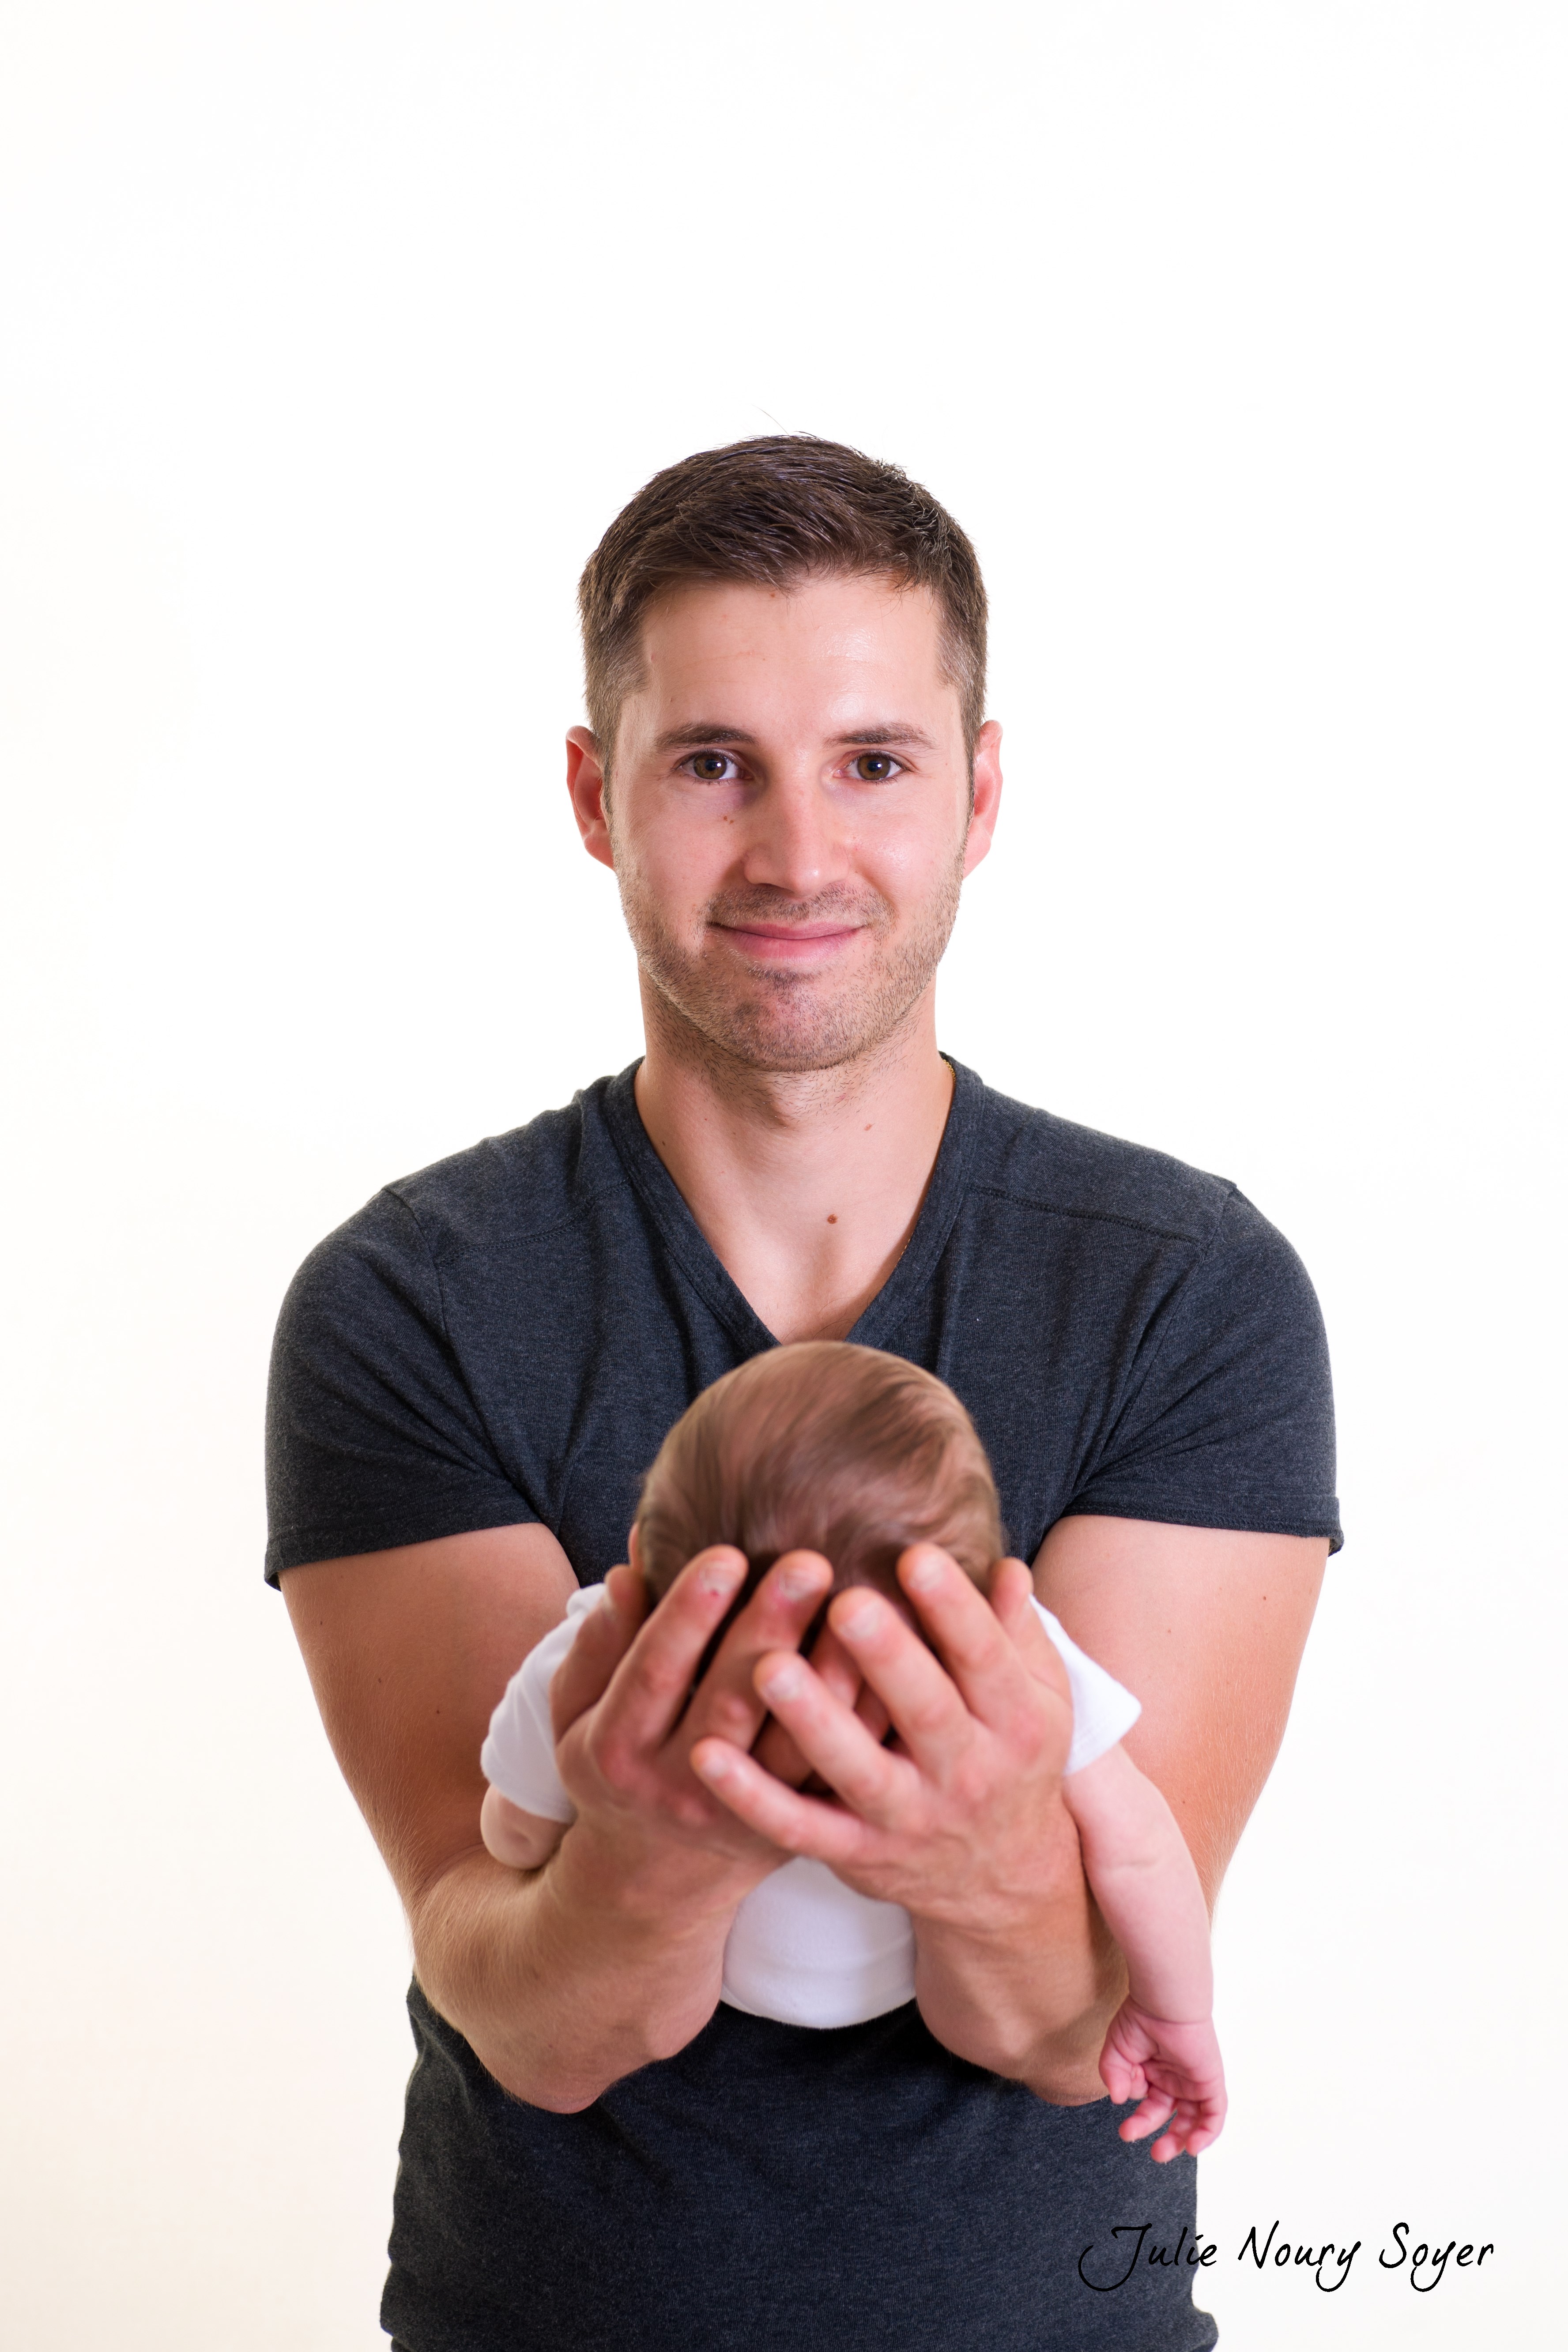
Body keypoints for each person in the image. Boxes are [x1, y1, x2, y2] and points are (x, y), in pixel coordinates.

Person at [267, 434, 1340, 2352]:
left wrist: (979, 1856)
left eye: (873, 762)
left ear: (980, 794)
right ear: (594, 795)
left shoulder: (1187, 1294)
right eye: (712, 764)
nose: (796, 855)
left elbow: (1068, 2026)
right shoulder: (409, 1304)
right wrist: (656, 1849)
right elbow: (528, 2011)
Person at [480, 1340, 1227, 2162]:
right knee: (949, 2012)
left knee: (663, 1993)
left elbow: (512, 1833)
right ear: (975, 1584)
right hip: (918, 2003)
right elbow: (1138, 1848)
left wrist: (573, 1832)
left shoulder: (602, 1651)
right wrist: (1176, 2013)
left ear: (644, 1558)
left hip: (709, 2015)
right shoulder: (1013, 1661)